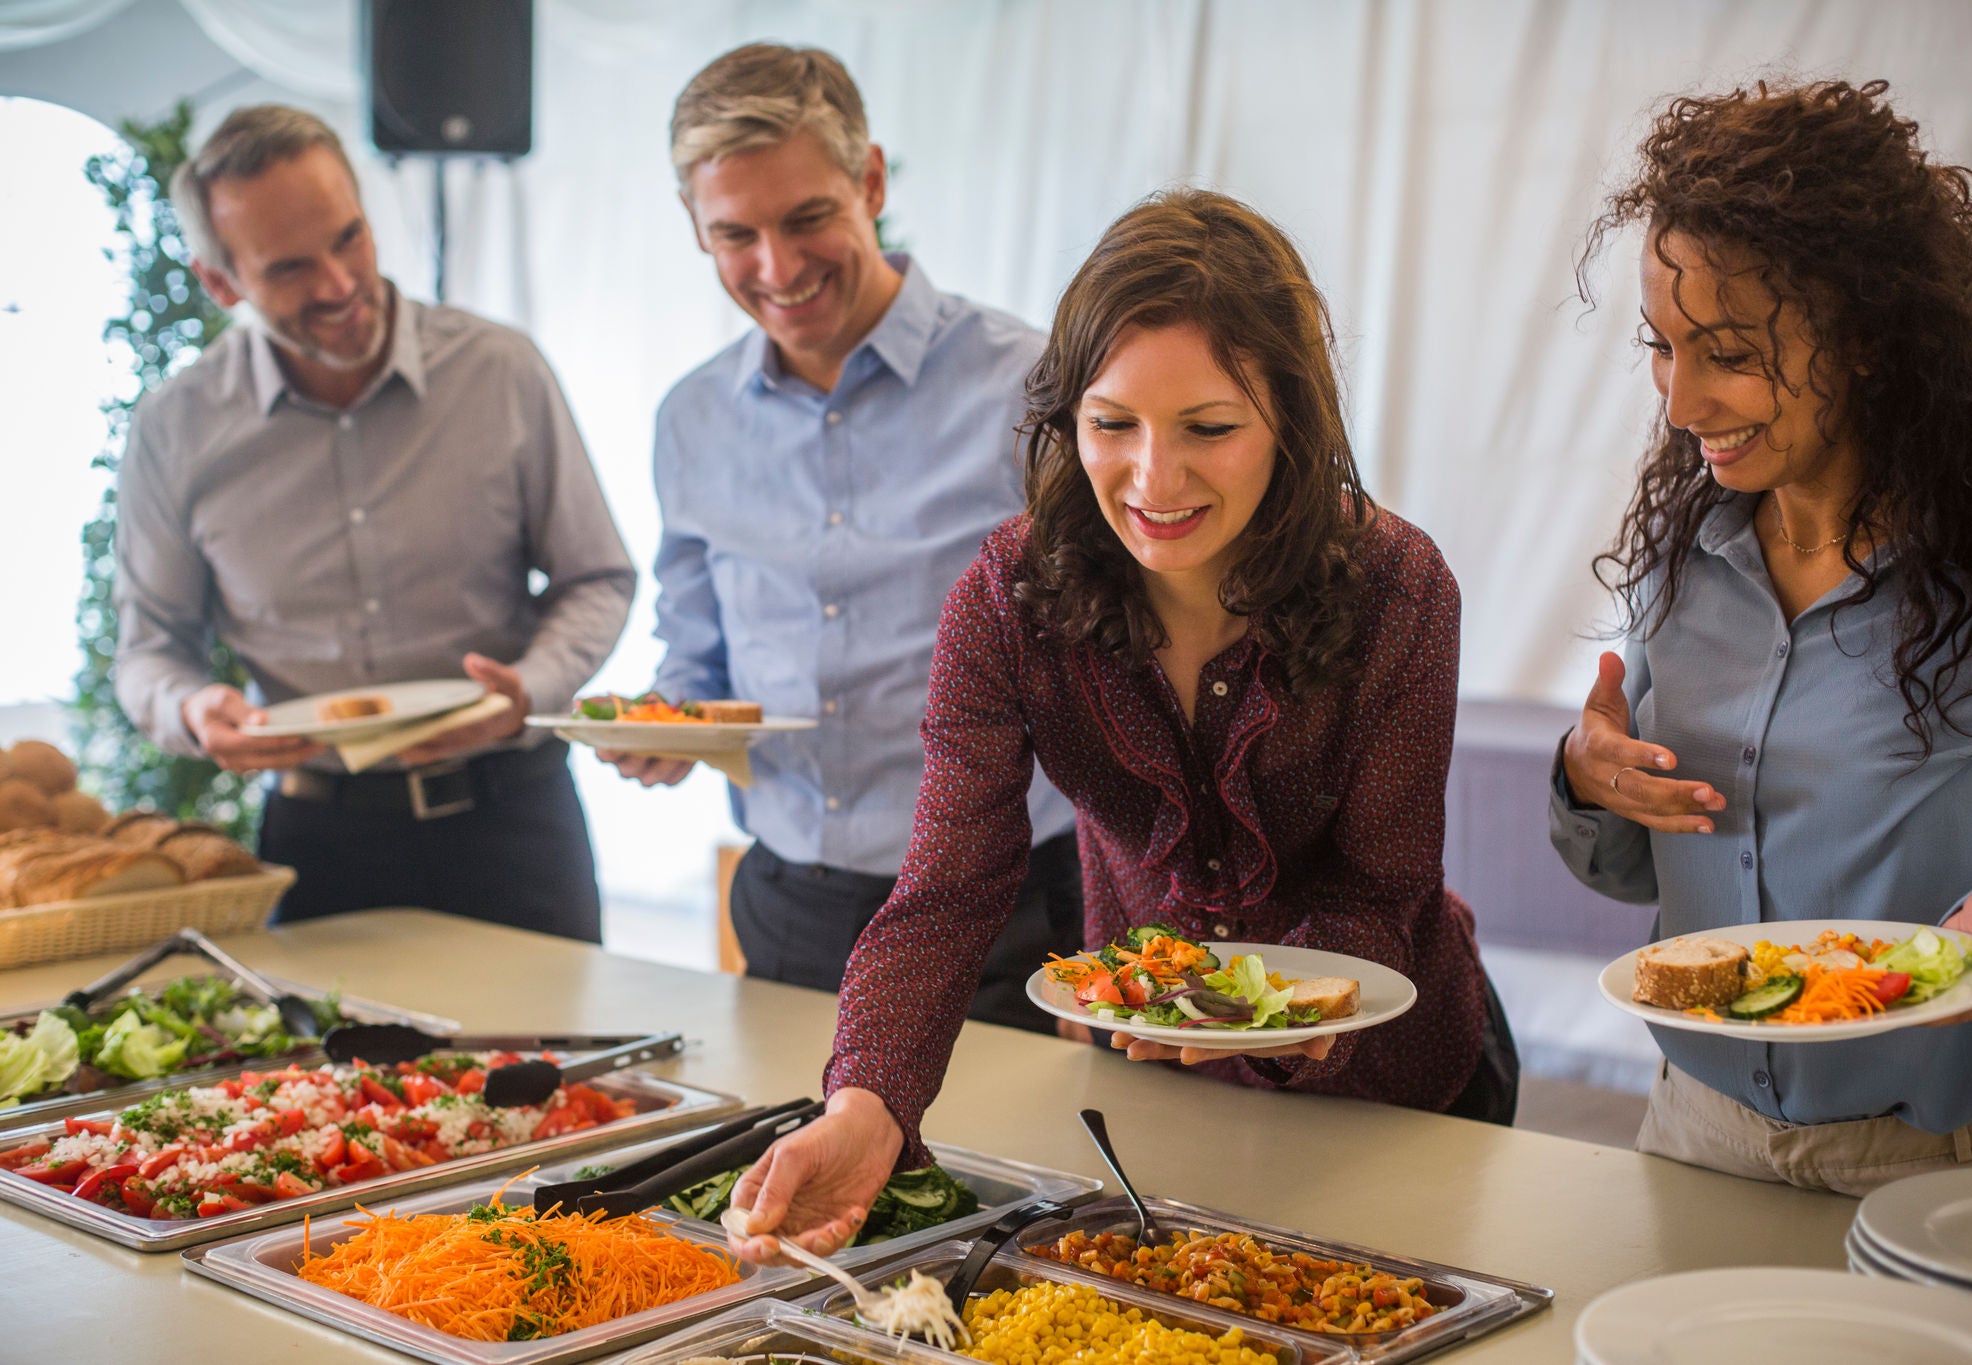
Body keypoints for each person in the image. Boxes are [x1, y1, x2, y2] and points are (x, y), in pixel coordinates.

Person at [725, 188, 1518, 1259]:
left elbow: (1379, 890)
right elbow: (948, 888)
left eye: (1209, 428)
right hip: (1151, 1083)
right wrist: (867, 1101)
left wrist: (1248, 1017)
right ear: (1066, 419)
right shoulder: (1008, 596)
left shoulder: (1397, 584)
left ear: (1289, 418)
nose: (1154, 478)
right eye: (1111, 425)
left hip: (1392, 1083)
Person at [1551, 80, 1972, 1193]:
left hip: (1949, 1165)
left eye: (1726, 352)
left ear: (1865, 339)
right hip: (1693, 1140)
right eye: (1660, 346)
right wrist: (1591, 782)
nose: (1679, 403)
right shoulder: (1684, 555)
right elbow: (1644, 876)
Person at [602, 43, 1082, 1028]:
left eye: (807, 218)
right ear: (695, 228)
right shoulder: (688, 419)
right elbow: (695, 654)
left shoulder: (1030, 385)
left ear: (868, 180)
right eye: (735, 233)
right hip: (791, 907)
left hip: (1006, 903)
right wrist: (663, 725)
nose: (775, 269)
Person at [113, 105, 633, 942]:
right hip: (322, 844)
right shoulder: (175, 428)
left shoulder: (501, 370)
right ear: (222, 283)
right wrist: (192, 708)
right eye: (289, 268)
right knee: (331, 1080)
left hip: (513, 821)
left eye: (348, 238)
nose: (339, 284)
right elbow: (147, 650)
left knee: (565, 1073)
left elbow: (595, 577)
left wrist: (528, 689)